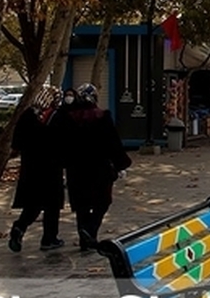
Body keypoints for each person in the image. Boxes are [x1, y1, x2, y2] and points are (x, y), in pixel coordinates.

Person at [52, 83, 132, 252]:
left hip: (76, 169)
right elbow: (113, 143)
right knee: (102, 202)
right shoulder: (102, 116)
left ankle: (85, 238)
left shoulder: (68, 118)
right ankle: (90, 230)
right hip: (100, 168)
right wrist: (121, 164)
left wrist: (62, 163)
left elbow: (60, 144)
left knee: (81, 204)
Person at [7, 87, 65, 252]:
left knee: (33, 204)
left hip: (30, 168)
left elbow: (16, 143)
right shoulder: (56, 117)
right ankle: (49, 238)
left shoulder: (27, 115)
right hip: (51, 169)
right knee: (52, 205)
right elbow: (63, 143)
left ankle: (20, 227)